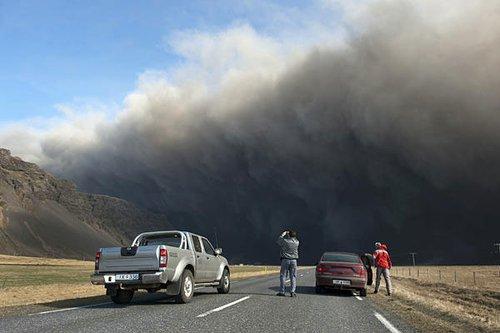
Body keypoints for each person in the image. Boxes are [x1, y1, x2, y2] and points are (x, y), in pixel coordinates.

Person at [276, 230, 299, 297]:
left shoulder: (285, 241)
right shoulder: (297, 242)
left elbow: (279, 240)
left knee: (283, 276)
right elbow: (294, 238)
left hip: (285, 260)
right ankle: (292, 291)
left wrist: (283, 234)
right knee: (293, 276)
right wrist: (291, 234)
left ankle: (282, 291)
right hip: (294, 261)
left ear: (289, 235)